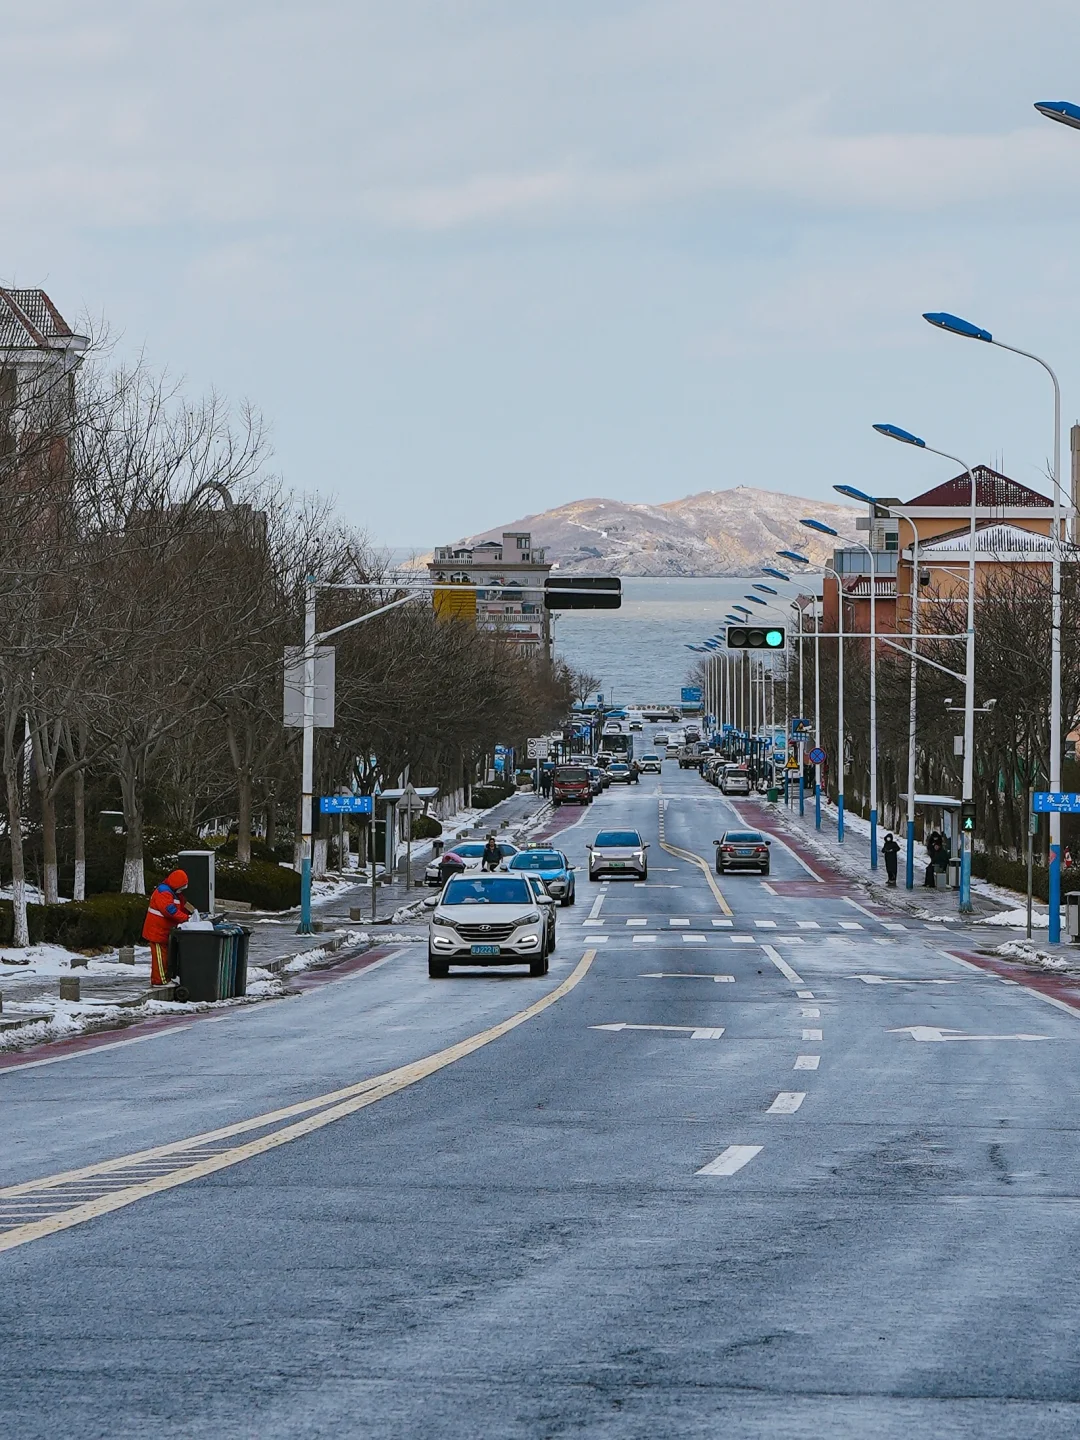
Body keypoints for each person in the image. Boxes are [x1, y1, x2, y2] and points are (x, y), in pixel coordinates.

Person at [142, 868, 193, 986]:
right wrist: (186, 918)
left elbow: (183, 904)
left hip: (163, 931)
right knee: (160, 958)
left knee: (164, 957)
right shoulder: (164, 892)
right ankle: (160, 981)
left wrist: (193, 912)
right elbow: (169, 911)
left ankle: (165, 978)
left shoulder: (173, 892)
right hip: (157, 931)